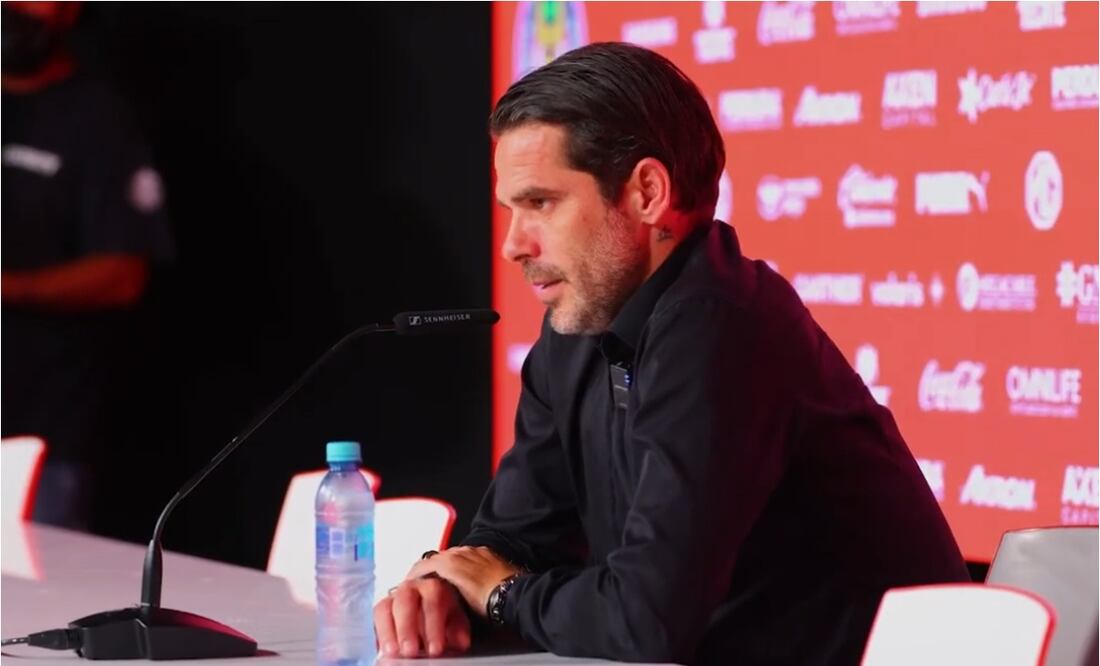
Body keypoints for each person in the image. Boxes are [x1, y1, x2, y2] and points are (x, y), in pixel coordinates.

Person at [374, 42, 969, 665]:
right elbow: (517, 537)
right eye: (509, 211)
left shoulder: (723, 328)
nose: (512, 246)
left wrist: (500, 596)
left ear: (648, 193)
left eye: (541, 203)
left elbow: (646, 621)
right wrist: (441, 586)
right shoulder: (578, 330)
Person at [2, 1, 174, 530]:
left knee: (29, 606)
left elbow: (122, 276)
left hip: (43, 434)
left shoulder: (98, 119)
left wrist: (8, 287)